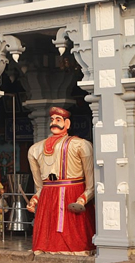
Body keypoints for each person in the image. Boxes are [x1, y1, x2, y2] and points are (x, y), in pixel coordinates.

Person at [27, 107, 95, 255]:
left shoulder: (81, 145)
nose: (54, 123)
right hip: (48, 197)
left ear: (67, 123)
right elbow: (40, 185)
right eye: (52, 120)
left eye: (58, 120)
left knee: (75, 241)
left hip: (73, 195)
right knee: (45, 242)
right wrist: (36, 198)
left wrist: (82, 199)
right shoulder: (35, 149)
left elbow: (92, 184)